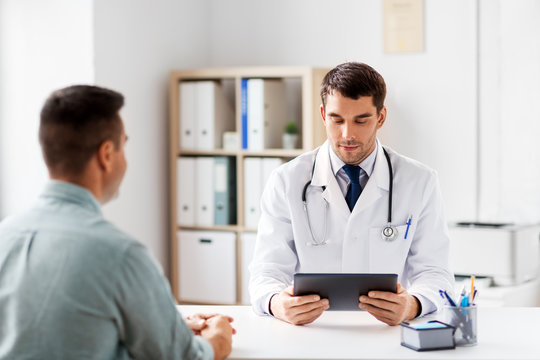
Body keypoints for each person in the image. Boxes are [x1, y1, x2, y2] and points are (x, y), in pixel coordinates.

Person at [0, 85, 234, 359]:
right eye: (124, 145)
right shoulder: (121, 255)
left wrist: (169, 328)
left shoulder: (6, 235)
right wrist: (218, 337)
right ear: (107, 154)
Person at [249, 62, 454, 326]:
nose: (348, 134)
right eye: (337, 119)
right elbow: (266, 270)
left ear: (381, 117)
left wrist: (413, 305)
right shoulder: (287, 181)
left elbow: (436, 273)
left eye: (361, 120)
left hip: (385, 334)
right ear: (323, 114)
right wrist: (275, 302)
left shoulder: (420, 181)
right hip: (313, 332)